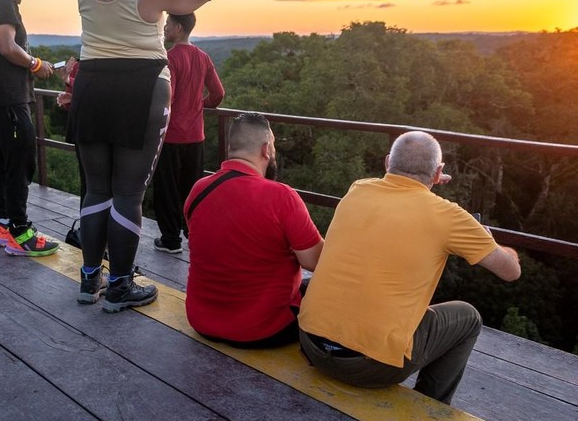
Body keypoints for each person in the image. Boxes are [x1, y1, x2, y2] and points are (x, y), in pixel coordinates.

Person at [68, 0, 224, 313]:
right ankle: (119, 285)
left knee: (97, 190)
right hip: (141, 90)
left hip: (91, 88)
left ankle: (89, 281)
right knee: (128, 193)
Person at [298, 131, 522, 405]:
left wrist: (427, 183)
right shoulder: (449, 216)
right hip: (369, 367)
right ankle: (431, 406)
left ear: (388, 162)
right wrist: (487, 238)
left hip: (310, 344)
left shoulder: (358, 189)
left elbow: (401, 200)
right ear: (439, 172)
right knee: (468, 318)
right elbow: (511, 271)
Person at [185, 112, 323, 346]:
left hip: (201, 322)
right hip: (264, 330)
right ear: (266, 149)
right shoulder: (282, 197)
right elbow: (315, 261)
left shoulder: (199, 190)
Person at [0, 0, 60, 257]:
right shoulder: (3, 4)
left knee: (1, 162)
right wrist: (36, 64)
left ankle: (4, 228)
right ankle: (21, 234)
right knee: (21, 162)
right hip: (9, 99)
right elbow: (7, 46)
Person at [151, 12, 224, 253]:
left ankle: (171, 240)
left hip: (171, 136)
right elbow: (218, 94)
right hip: (196, 135)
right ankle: (194, 234)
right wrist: (202, 105)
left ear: (179, 28)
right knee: (193, 188)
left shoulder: (169, 58)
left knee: (167, 188)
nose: (165, 29)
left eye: (168, 24)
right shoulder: (203, 57)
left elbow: (167, 97)